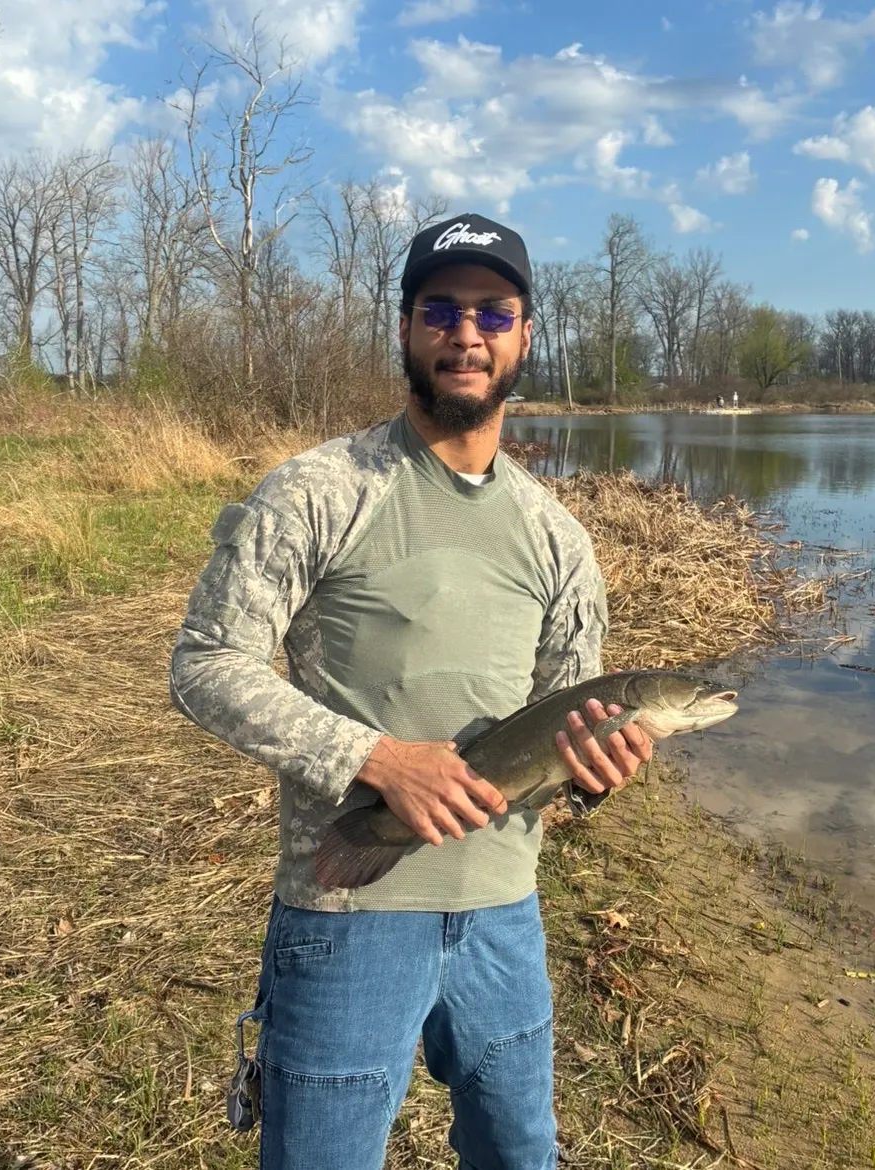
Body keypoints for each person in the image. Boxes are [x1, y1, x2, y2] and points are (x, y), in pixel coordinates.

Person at [170, 213, 657, 1170]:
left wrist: (600, 772)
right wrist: (380, 759)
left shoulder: (558, 538)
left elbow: (567, 720)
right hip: (346, 914)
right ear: (404, 329)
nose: (465, 333)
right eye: (441, 308)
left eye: (493, 311)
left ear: (524, 333)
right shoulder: (320, 490)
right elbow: (207, 663)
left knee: (521, 1157)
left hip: (503, 917)